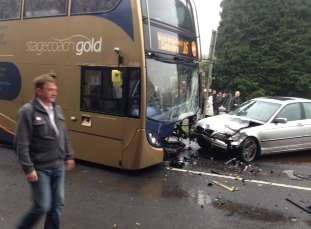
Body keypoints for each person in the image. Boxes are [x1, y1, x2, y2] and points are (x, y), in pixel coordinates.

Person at [15, 73, 75, 229]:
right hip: (40, 168)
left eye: (55, 89)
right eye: (50, 90)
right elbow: (21, 143)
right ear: (39, 91)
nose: (54, 93)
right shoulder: (27, 111)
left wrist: (69, 155)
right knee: (42, 206)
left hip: (58, 166)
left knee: (57, 206)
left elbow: (64, 135)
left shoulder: (58, 109)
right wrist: (28, 168)